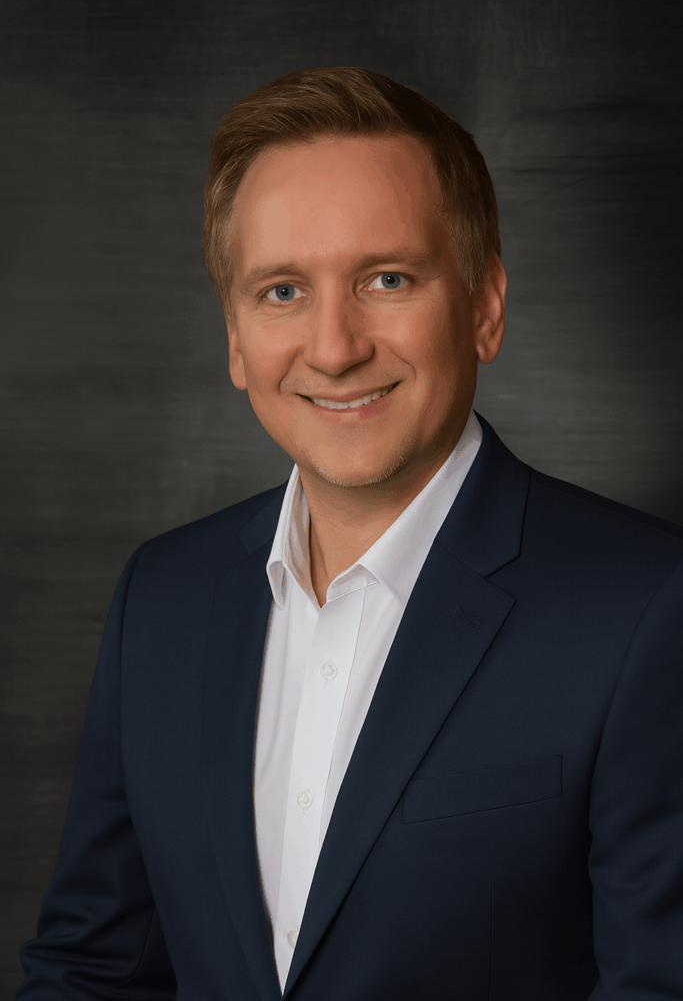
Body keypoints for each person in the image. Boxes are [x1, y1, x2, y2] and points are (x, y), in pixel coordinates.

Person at [16, 67, 683, 1000]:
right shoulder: (160, 599)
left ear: (484, 308)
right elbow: (94, 972)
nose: (333, 347)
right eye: (282, 291)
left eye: (387, 278)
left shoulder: (648, 609)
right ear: (237, 340)